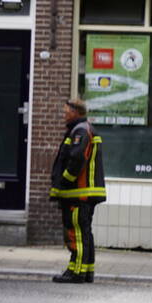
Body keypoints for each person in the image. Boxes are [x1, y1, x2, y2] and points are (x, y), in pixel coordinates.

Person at [50, 97, 106, 284]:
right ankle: (86, 270)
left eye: (66, 111)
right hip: (83, 194)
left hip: (78, 194)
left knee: (77, 234)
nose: (64, 114)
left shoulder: (80, 131)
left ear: (75, 112)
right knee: (84, 232)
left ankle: (77, 273)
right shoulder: (83, 129)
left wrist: (65, 180)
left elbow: (77, 159)